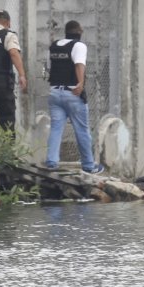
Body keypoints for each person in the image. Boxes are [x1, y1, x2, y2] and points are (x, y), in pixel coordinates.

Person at [44, 20, 105, 174]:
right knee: (82, 130)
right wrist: (81, 84)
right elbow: (79, 65)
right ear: (79, 31)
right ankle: (89, 166)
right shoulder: (79, 46)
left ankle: (51, 162)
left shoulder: (54, 46)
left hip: (54, 92)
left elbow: (49, 68)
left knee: (56, 128)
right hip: (72, 93)